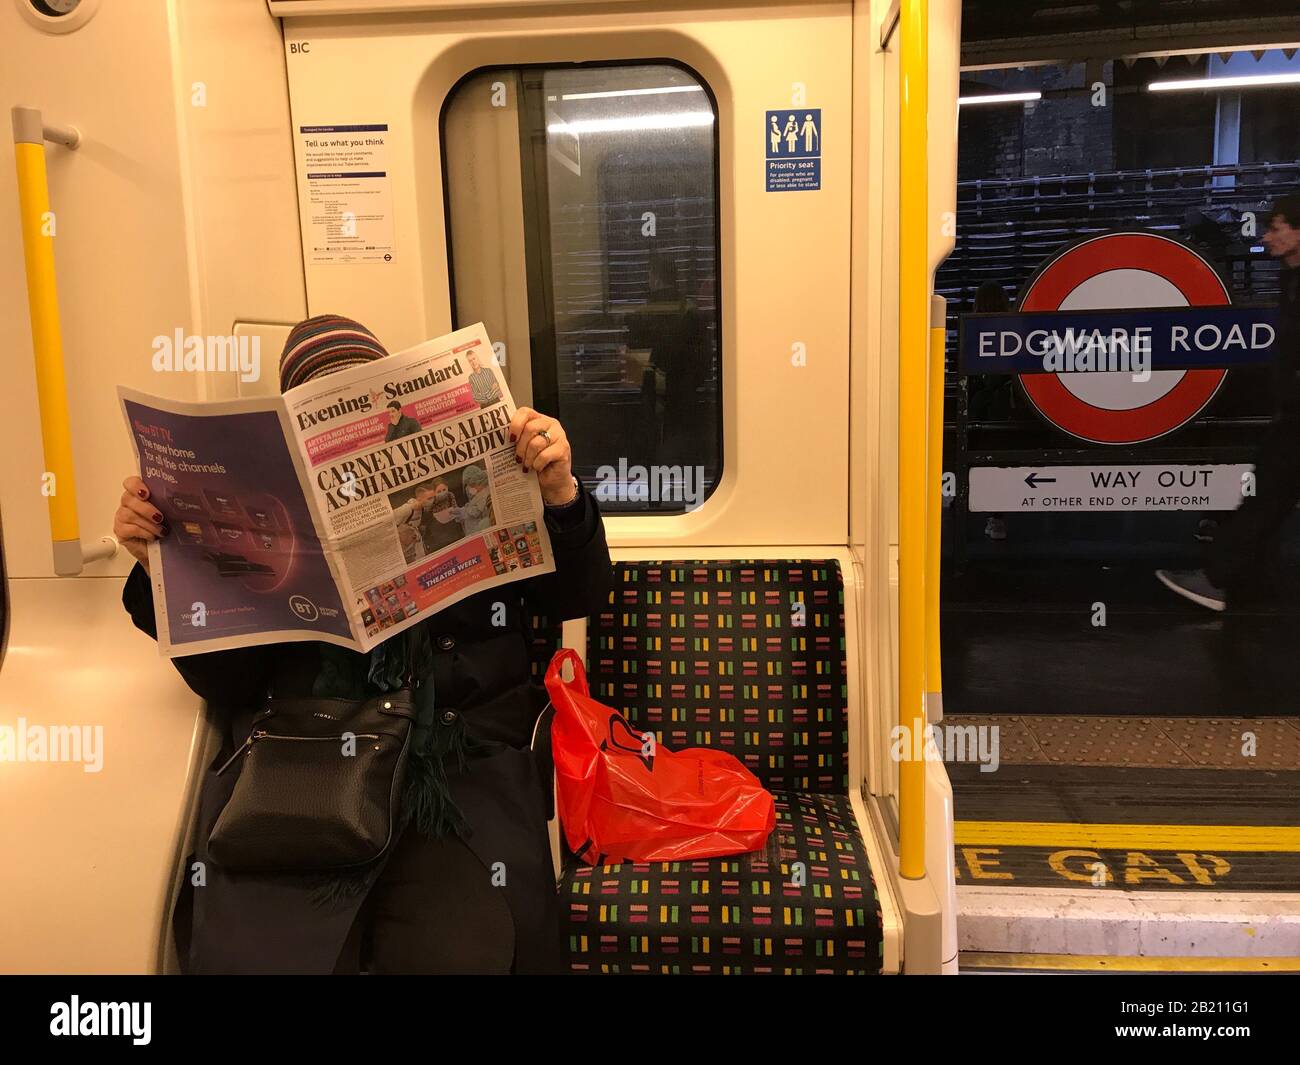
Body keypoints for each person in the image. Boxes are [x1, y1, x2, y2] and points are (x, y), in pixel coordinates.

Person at [113, 314, 613, 974]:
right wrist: (162, 565)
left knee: (460, 950)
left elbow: (577, 596)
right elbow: (230, 685)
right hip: (304, 764)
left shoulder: (472, 488)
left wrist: (559, 493)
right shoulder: (272, 533)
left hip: (459, 764)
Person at [1157, 195, 1300, 611]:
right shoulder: (1290, 280)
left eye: (1276, 228)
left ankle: (1220, 581)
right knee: (1268, 495)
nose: (1266, 237)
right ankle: (1235, 581)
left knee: (1266, 494)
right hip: (1293, 411)